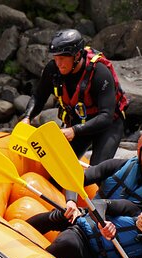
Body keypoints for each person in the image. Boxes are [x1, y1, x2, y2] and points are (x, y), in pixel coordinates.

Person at [28, 129, 142, 230]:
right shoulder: (117, 166)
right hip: (91, 216)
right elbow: (75, 179)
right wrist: (71, 202)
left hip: (123, 235)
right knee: (60, 215)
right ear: (139, 154)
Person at [20, 29, 128, 165]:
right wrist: (27, 117)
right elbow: (39, 96)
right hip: (78, 121)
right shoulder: (53, 69)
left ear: (77, 55)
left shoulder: (100, 73)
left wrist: (74, 130)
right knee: (55, 165)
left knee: (96, 171)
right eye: (55, 58)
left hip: (108, 125)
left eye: (62, 58)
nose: (58, 63)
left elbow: (106, 116)